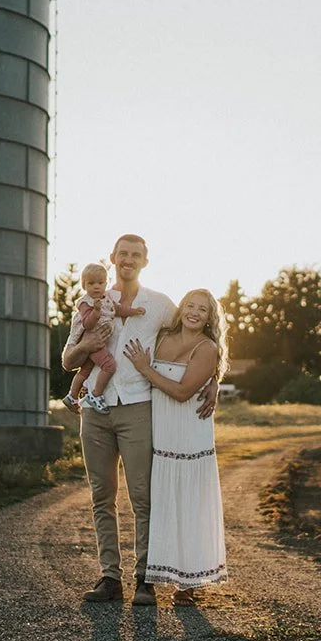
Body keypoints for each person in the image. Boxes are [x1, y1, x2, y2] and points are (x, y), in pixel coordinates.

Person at [62, 234, 216, 606]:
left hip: (139, 409)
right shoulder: (89, 301)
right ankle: (109, 578)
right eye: (123, 254)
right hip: (96, 412)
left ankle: (144, 579)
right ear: (113, 258)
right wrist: (86, 345)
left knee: (143, 497)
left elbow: (195, 338)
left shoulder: (161, 306)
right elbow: (68, 359)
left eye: (136, 255)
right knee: (102, 496)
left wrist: (214, 380)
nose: (128, 260)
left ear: (145, 261)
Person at [124, 288, 228, 605]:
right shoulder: (163, 337)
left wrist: (145, 368)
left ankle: (189, 585)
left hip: (189, 436)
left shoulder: (207, 347)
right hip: (162, 435)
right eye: (190, 306)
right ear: (181, 309)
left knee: (189, 506)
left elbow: (182, 392)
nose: (194, 312)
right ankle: (161, 576)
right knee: (165, 505)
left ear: (210, 318)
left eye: (203, 309)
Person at [61, 262, 143, 415]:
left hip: (99, 340)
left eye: (100, 283)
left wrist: (133, 311)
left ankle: (72, 396)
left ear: (106, 283)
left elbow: (118, 309)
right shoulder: (86, 303)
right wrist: (96, 311)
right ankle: (96, 394)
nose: (96, 287)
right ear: (84, 285)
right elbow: (87, 323)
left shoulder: (107, 298)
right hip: (94, 339)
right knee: (109, 366)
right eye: (91, 283)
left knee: (85, 370)